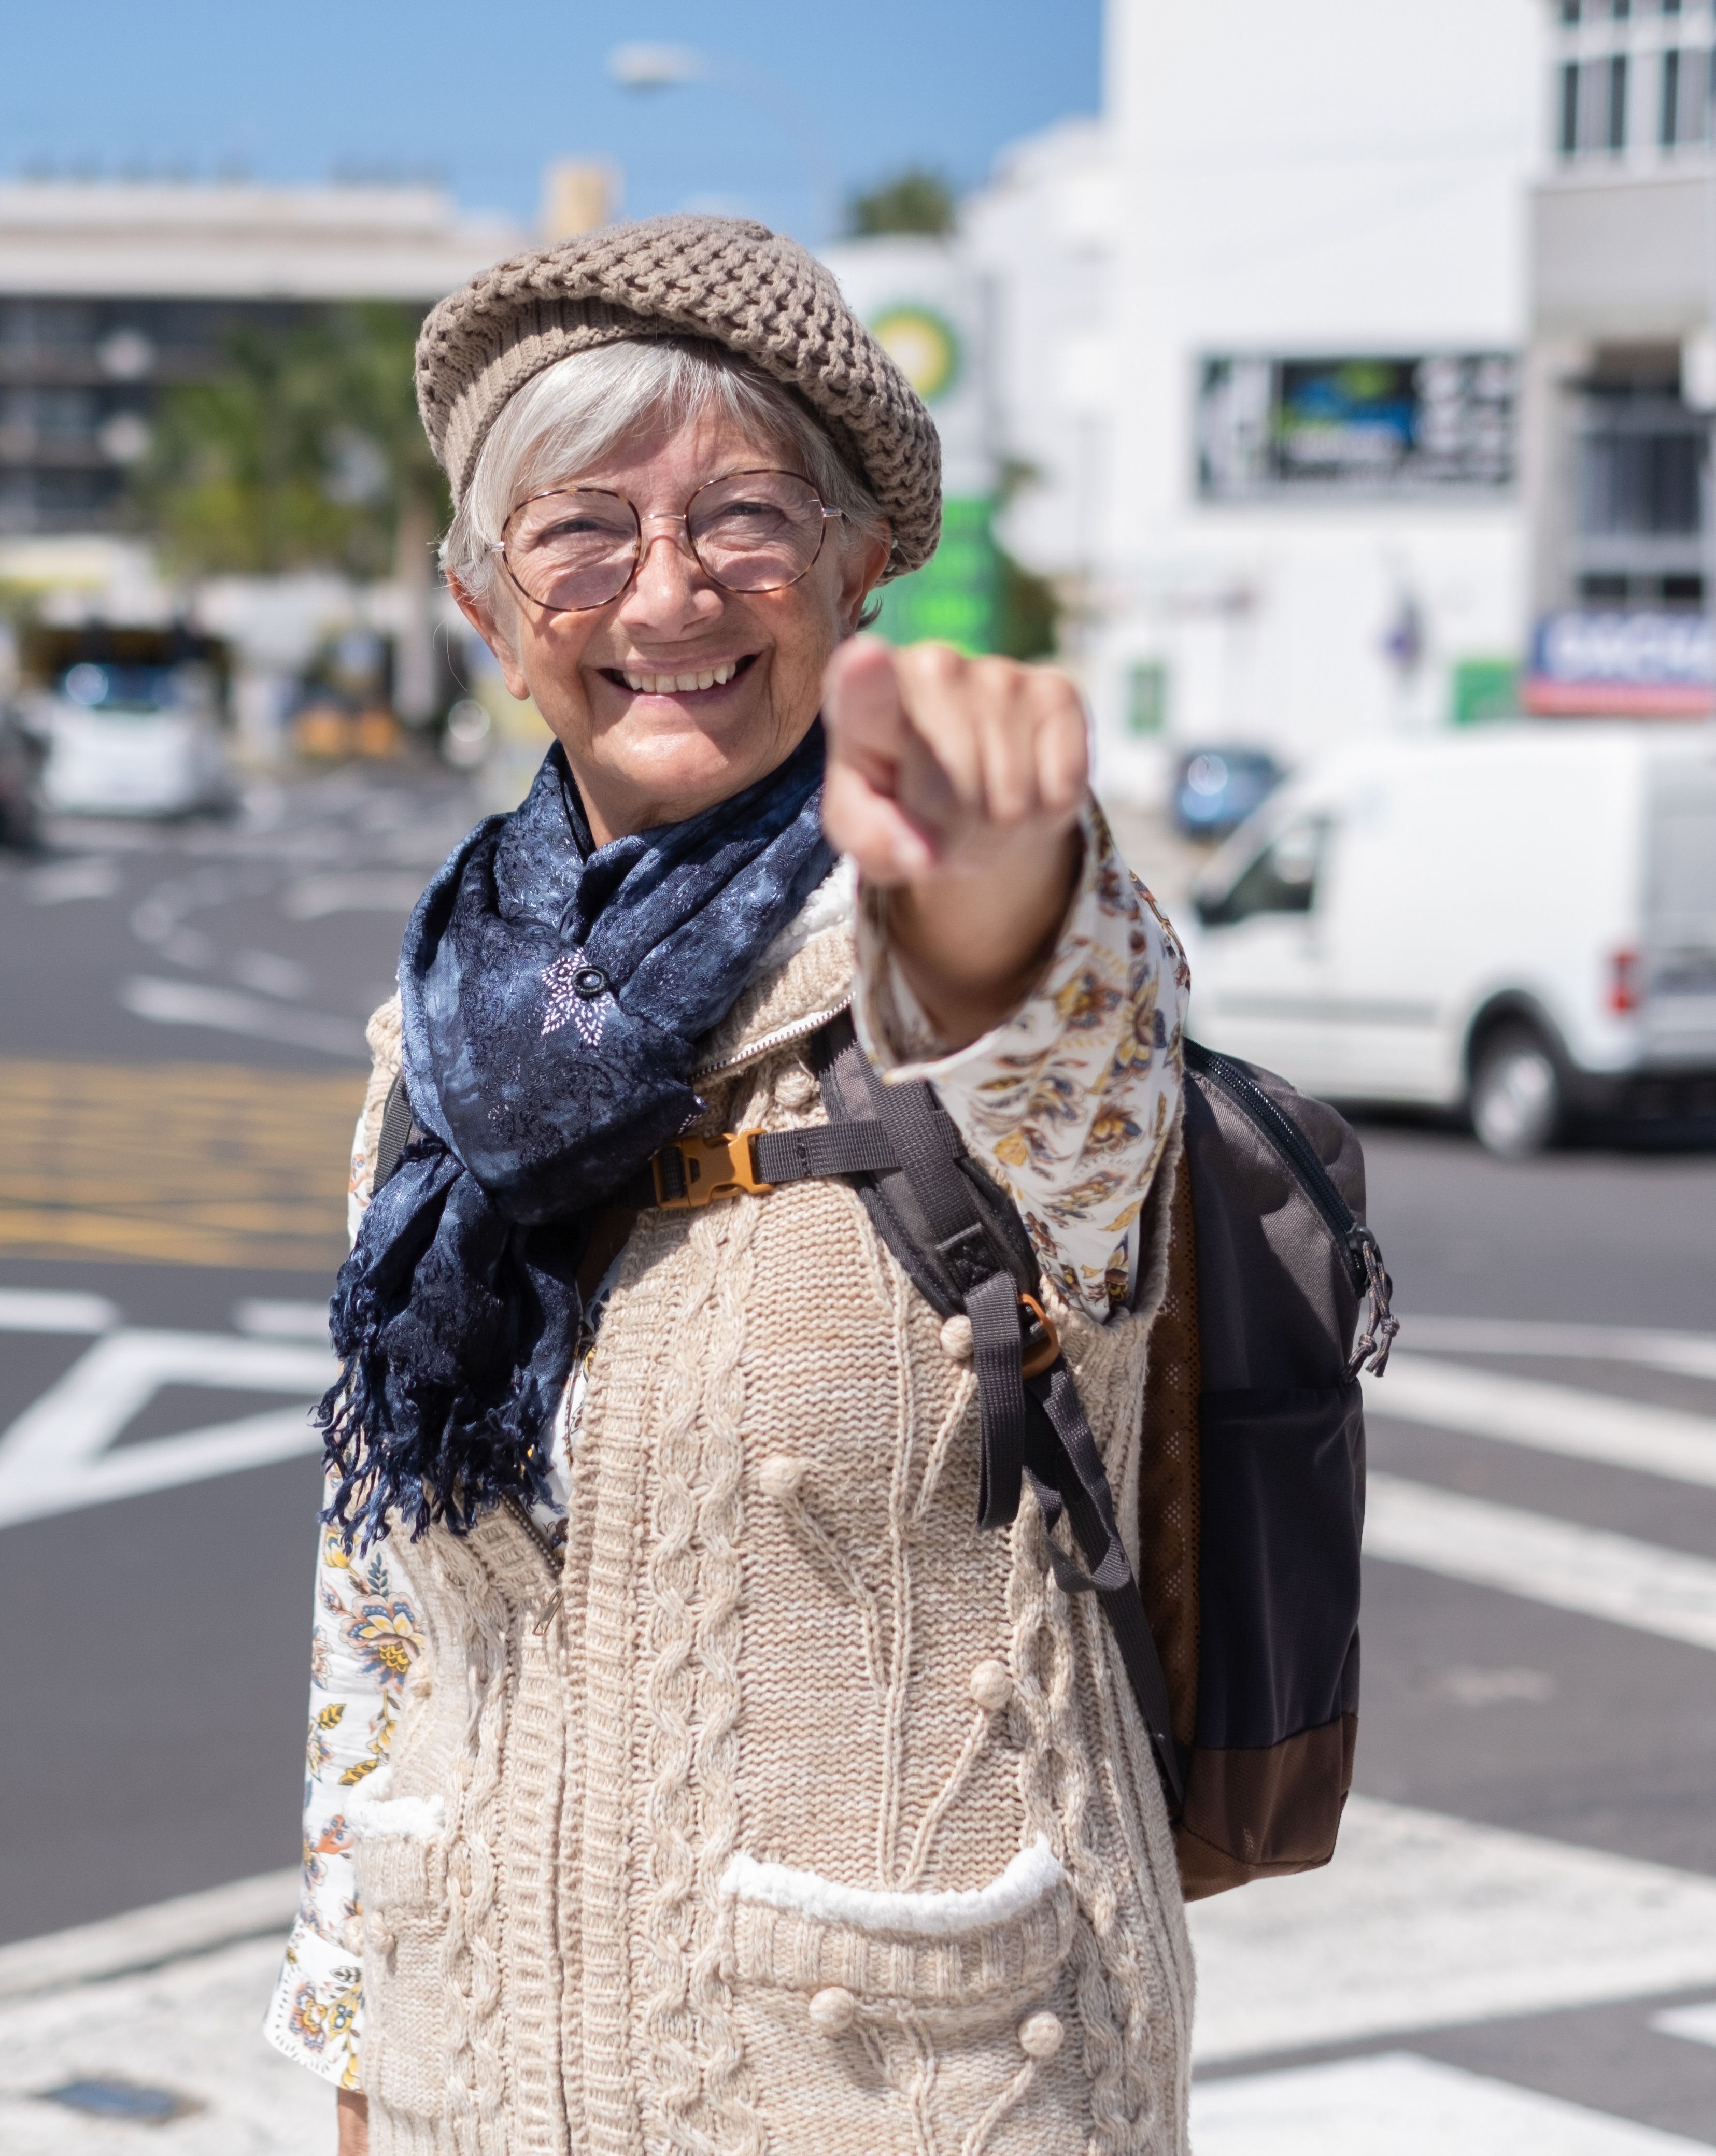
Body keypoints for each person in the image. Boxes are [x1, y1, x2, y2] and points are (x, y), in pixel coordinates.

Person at [263, 215, 1195, 2155]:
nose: (670, 588)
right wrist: (354, 2051)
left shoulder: (953, 964)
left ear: (858, 569)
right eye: (583, 531)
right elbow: (382, 1621)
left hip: (912, 2091)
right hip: (475, 2084)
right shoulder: (438, 1041)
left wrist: (1012, 893)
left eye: (747, 517)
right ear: (488, 609)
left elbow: (1083, 1083)